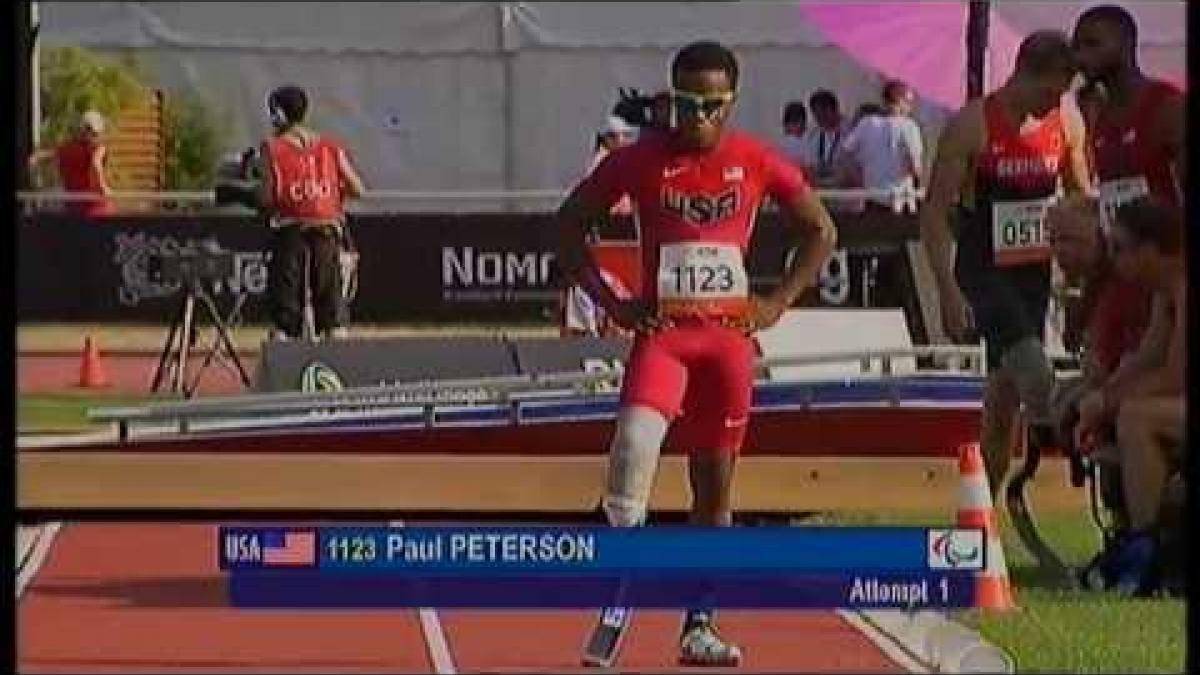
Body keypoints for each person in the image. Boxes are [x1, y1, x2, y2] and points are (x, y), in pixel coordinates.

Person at [556, 40, 837, 666]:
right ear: (670, 98)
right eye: (685, 103)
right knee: (632, 452)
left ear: (730, 103)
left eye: (711, 105)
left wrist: (776, 303)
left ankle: (699, 624)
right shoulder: (638, 160)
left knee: (713, 492)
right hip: (664, 336)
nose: (697, 118)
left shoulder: (755, 159)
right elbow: (567, 224)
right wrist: (612, 300)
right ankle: (621, 588)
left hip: (727, 345)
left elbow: (822, 229)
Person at [919, 31, 1091, 498]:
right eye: (1048, 91)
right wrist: (947, 293)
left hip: (1033, 274)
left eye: (1060, 94)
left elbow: (1081, 198)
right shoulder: (972, 124)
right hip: (982, 272)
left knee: (1000, 405)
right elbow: (934, 211)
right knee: (1035, 374)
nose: (1052, 102)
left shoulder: (1066, 123)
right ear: (1023, 73)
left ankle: (986, 514)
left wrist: (1079, 280)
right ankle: (1069, 444)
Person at [1050, 4, 1185, 398]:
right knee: (1094, 391)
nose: (1080, 56)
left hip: (1164, 275)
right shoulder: (1102, 119)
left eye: (1092, 44)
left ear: (1125, 45)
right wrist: (1089, 299)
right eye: (1077, 46)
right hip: (1123, 277)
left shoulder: (1166, 108)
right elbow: (1113, 217)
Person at [1074, 196, 1184, 594]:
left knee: (1138, 417)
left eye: (1120, 249)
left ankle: (1145, 549)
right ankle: (1141, 539)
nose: (1113, 260)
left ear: (1152, 250)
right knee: (1127, 412)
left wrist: (1107, 403)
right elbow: (1147, 356)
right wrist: (1098, 396)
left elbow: (1175, 375)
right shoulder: (1165, 289)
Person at [259, 84, 366, 342]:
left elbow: (268, 197)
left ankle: (284, 348)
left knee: (285, 311)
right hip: (327, 232)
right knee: (332, 310)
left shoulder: (273, 149)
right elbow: (358, 189)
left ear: (279, 115)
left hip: (292, 233)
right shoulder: (330, 148)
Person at [839, 80, 924, 214]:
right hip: (901, 198)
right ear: (901, 101)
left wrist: (859, 177)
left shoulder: (867, 123)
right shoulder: (909, 126)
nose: (911, 108)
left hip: (872, 196)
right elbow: (915, 166)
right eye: (909, 103)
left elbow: (844, 154)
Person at [28, 110, 115, 218]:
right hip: (96, 210)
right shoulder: (97, 149)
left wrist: (35, 181)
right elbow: (95, 164)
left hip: (73, 210)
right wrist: (104, 188)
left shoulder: (66, 149)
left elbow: (38, 158)